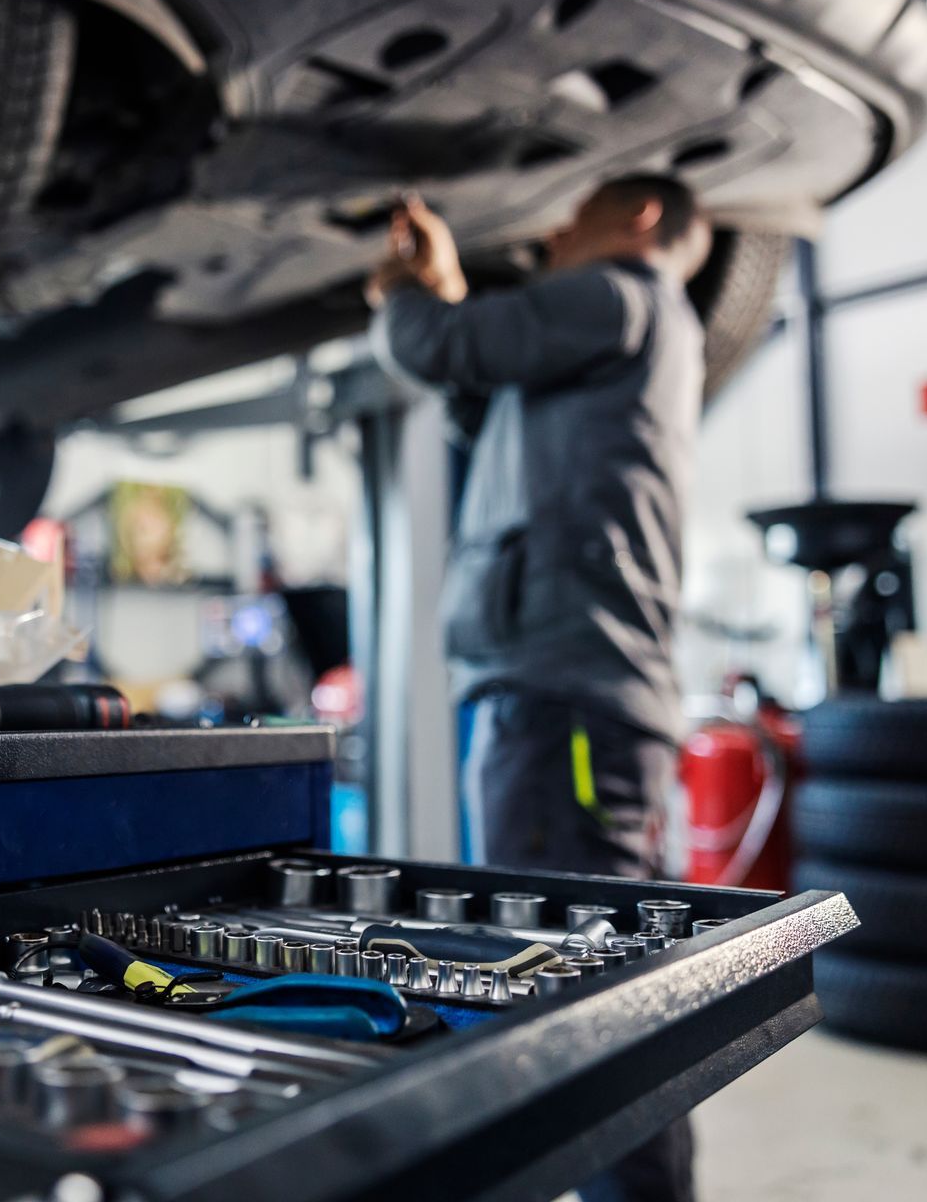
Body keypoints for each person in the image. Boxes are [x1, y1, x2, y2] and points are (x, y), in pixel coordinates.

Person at [367, 175, 712, 1202]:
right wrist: (447, 297)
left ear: (642, 218)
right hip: (566, 695)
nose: (556, 231)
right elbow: (479, 377)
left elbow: (444, 347)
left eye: (578, 212)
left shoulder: (620, 292)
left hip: (569, 700)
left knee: (578, 995)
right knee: (581, 984)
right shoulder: (622, 328)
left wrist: (408, 296)